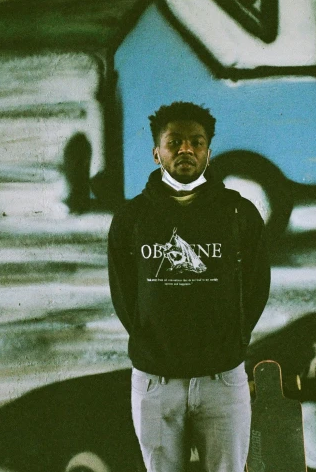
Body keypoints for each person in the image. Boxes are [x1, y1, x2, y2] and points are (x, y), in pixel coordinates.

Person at [107, 101, 271, 472]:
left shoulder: (238, 213)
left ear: (208, 153)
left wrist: (234, 338)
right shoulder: (132, 218)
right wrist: (152, 342)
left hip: (223, 380)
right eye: (174, 141)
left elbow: (258, 284)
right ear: (156, 153)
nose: (186, 149)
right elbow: (124, 295)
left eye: (196, 142)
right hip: (155, 382)